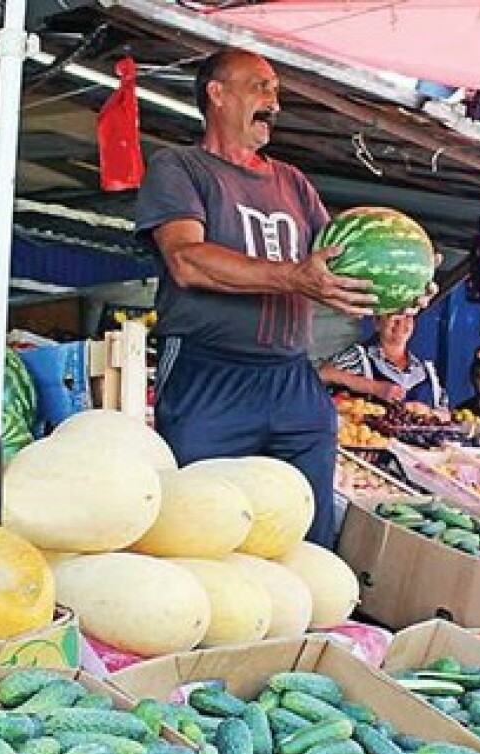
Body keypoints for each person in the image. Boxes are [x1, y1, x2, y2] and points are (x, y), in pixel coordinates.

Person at [134, 47, 432, 549]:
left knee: (305, 532)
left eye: (276, 91)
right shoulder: (180, 168)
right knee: (202, 532)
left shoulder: (292, 183)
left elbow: (332, 269)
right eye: (261, 87)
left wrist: (391, 293)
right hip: (210, 377)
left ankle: (307, 623)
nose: (275, 102)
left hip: (292, 378)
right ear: (217, 93)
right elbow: (186, 259)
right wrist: (294, 277)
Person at [319, 313, 448, 409]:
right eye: (393, 315)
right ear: (377, 323)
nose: (400, 321)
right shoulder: (359, 358)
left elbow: (446, 416)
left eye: (408, 316)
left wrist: (427, 413)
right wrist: (375, 388)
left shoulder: (428, 373)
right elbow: (322, 374)